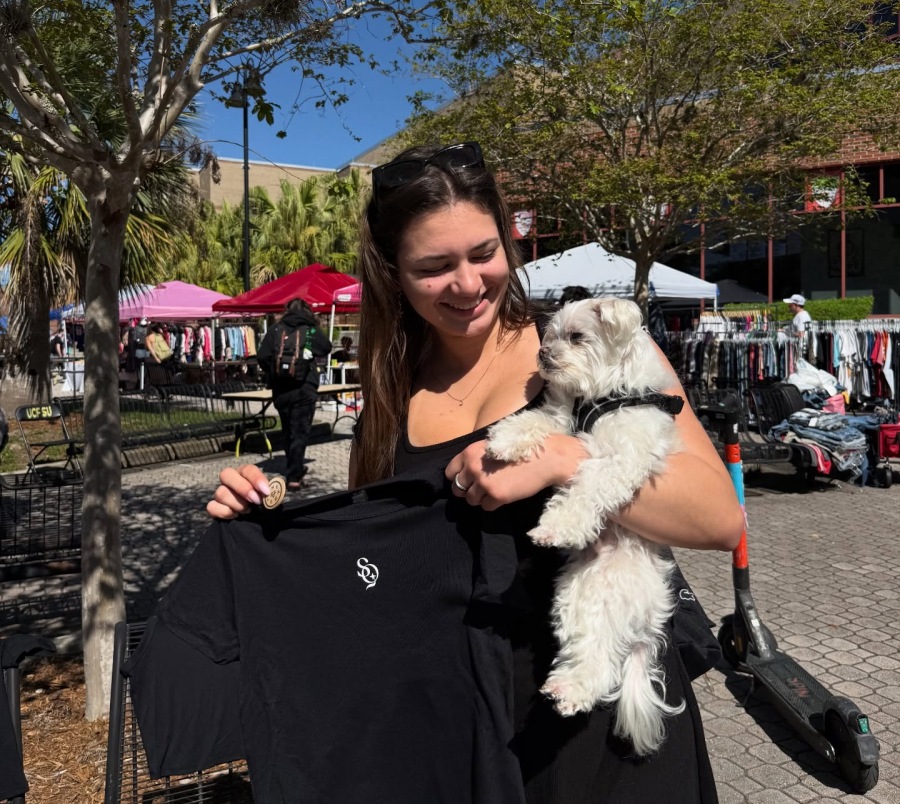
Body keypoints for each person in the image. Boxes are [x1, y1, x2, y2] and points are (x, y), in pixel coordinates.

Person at [208, 141, 744, 802]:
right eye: (435, 266)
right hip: (466, 733)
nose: (467, 285)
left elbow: (720, 517)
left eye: (483, 254)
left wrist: (565, 459)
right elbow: (375, 564)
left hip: (606, 729)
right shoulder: (391, 392)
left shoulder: (595, 351)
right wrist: (273, 517)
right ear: (393, 274)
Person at [256, 298, 332, 490]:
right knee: (300, 433)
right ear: (306, 311)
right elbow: (326, 347)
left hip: (281, 391)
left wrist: (276, 373)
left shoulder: (275, 329)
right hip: (304, 390)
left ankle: (293, 469)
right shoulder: (310, 330)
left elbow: (262, 356)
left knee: (288, 431)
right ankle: (294, 476)